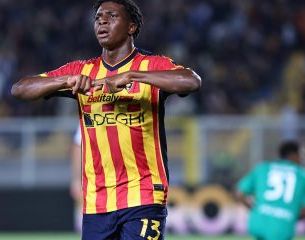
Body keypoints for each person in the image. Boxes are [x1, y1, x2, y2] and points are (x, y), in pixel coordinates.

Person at [11, 0, 201, 238]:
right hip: (97, 203)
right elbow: (20, 89)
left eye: (112, 16)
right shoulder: (83, 71)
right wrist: (65, 81)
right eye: (98, 17)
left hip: (143, 195)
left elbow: (191, 81)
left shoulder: (152, 65)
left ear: (131, 27)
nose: (102, 20)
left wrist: (132, 75)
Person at [236, 140, 305, 240]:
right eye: (301, 155)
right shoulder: (304, 175)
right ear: (293, 155)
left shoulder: (262, 168)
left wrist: (254, 209)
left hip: (258, 222)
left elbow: (240, 193)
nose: (302, 159)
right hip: (282, 226)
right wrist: (291, 215)